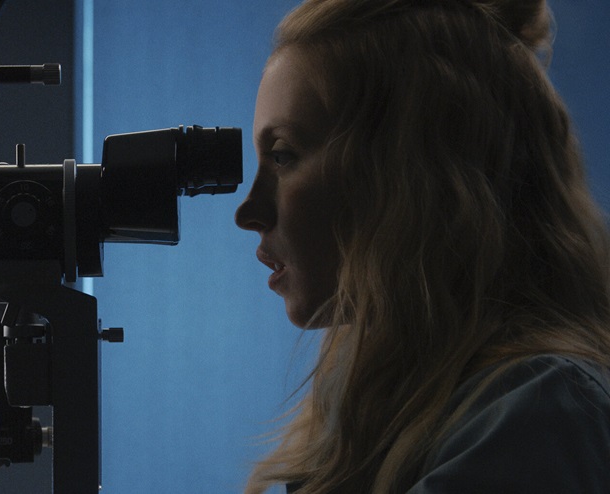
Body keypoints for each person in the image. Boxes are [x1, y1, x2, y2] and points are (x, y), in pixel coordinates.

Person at [234, 0, 610, 492]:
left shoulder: (538, 417)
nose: (248, 213)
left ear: (412, 177)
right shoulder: (381, 406)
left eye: (283, 155)